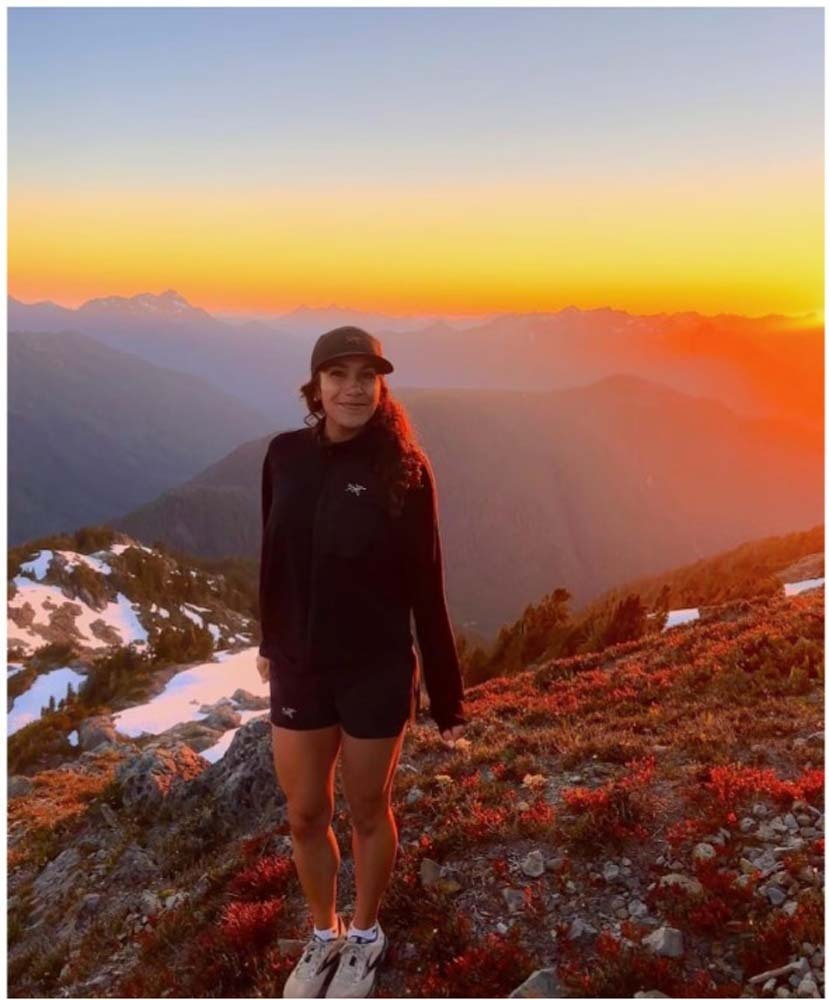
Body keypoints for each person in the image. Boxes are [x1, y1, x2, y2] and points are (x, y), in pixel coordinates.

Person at [255, 325, 468, 998]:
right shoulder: (284, 455)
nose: (353, 388)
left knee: (368, 809)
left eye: (367, 376)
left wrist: (447, 697)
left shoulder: (404, 469)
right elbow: (273, 557)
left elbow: (427, 587)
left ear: (381, 387)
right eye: (338, 374)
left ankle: (366, 935)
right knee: (304, 814)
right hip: (299, 664)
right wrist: (268, 642)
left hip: (374, 669)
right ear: (315, 387)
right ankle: (325, 933)